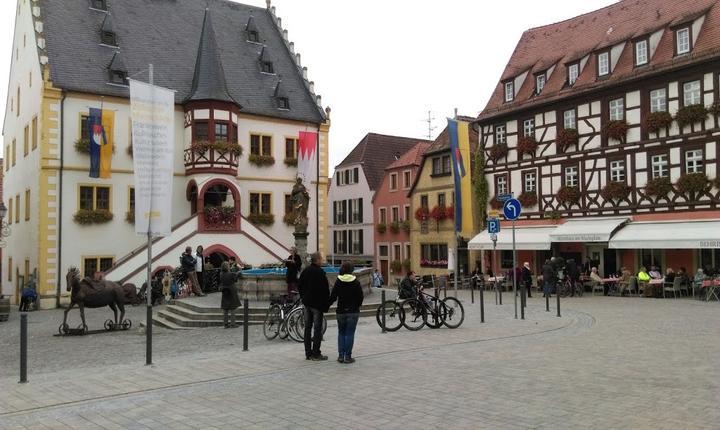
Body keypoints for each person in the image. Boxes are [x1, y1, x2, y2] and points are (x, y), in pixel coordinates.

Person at [298, 252, 330, 361]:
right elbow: (325, 290)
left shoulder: (306, 271)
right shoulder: (320, 273)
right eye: (321, 259)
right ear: (317, 260)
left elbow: (300, 285)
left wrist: (303, 297)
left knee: (307, 328)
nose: (322, 261)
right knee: (317, 329)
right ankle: (316, 353)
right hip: (317, 305)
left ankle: (308, 353)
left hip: (307, 303)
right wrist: (326, 304)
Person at [329, 262, 364, 364]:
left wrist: (326, 305)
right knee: (349, 334)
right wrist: (357, 305)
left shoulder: (338, 281)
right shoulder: (356, 282)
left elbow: (333, 296)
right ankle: (348, 357)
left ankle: (340, 356)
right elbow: (360, 297)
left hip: (341, 311)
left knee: (341, 333)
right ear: (351, 270)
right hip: (353, 311)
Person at [219, 262, 240, 328]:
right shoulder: (231, 274)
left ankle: (225, 324)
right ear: (227, 267)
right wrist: (239, 271)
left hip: (225, 291)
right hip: (231, 291)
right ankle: (233, 324)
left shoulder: (221, 274)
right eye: (228, 265)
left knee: (225, 308)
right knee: (232, 308)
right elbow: (236, 279)